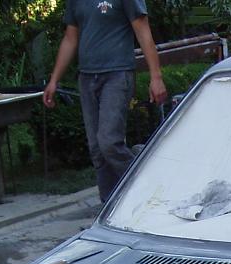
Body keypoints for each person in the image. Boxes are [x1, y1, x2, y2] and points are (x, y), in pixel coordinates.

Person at [44, 0, 168, 202]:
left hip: (117, 74)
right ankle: (109, 207)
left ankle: (149, 190)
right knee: (97, 150)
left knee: (109, 142)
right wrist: (54, 80)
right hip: (87, 77)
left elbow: (142, 30)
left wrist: (156, 77)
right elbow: (70, 38)